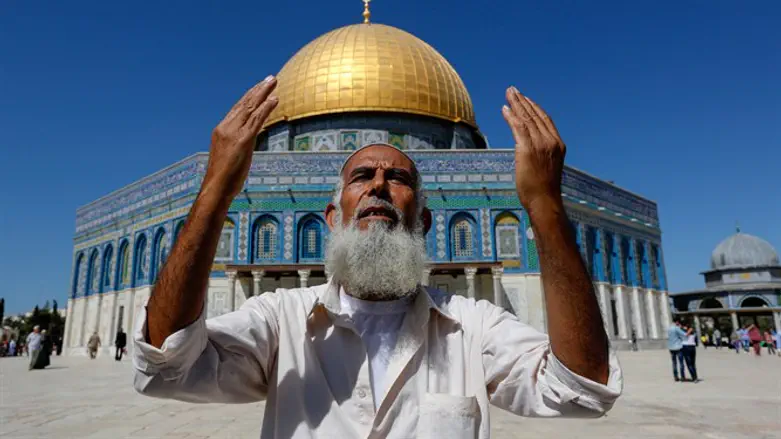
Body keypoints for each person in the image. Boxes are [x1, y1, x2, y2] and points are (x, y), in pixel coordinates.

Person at [131, 79, 623, 437]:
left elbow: (580, 389)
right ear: (331, 217)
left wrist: (545, 206)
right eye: (361, 176)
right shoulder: (281, 323)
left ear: (427, 222)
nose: (379, 188)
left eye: (400, 179)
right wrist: (216, 189)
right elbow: (165, 365)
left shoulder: (470, 328)